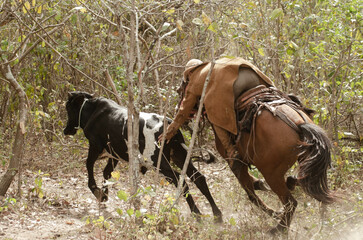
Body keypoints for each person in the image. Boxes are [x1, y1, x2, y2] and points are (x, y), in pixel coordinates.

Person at [162, 57, 274, 164]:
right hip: (252, 75)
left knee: (214, 113)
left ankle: (231, 150)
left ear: (190, 73)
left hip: (237, 82)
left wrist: (170, 131)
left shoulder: (195, 79)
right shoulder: (213, 67)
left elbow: (184, 111)